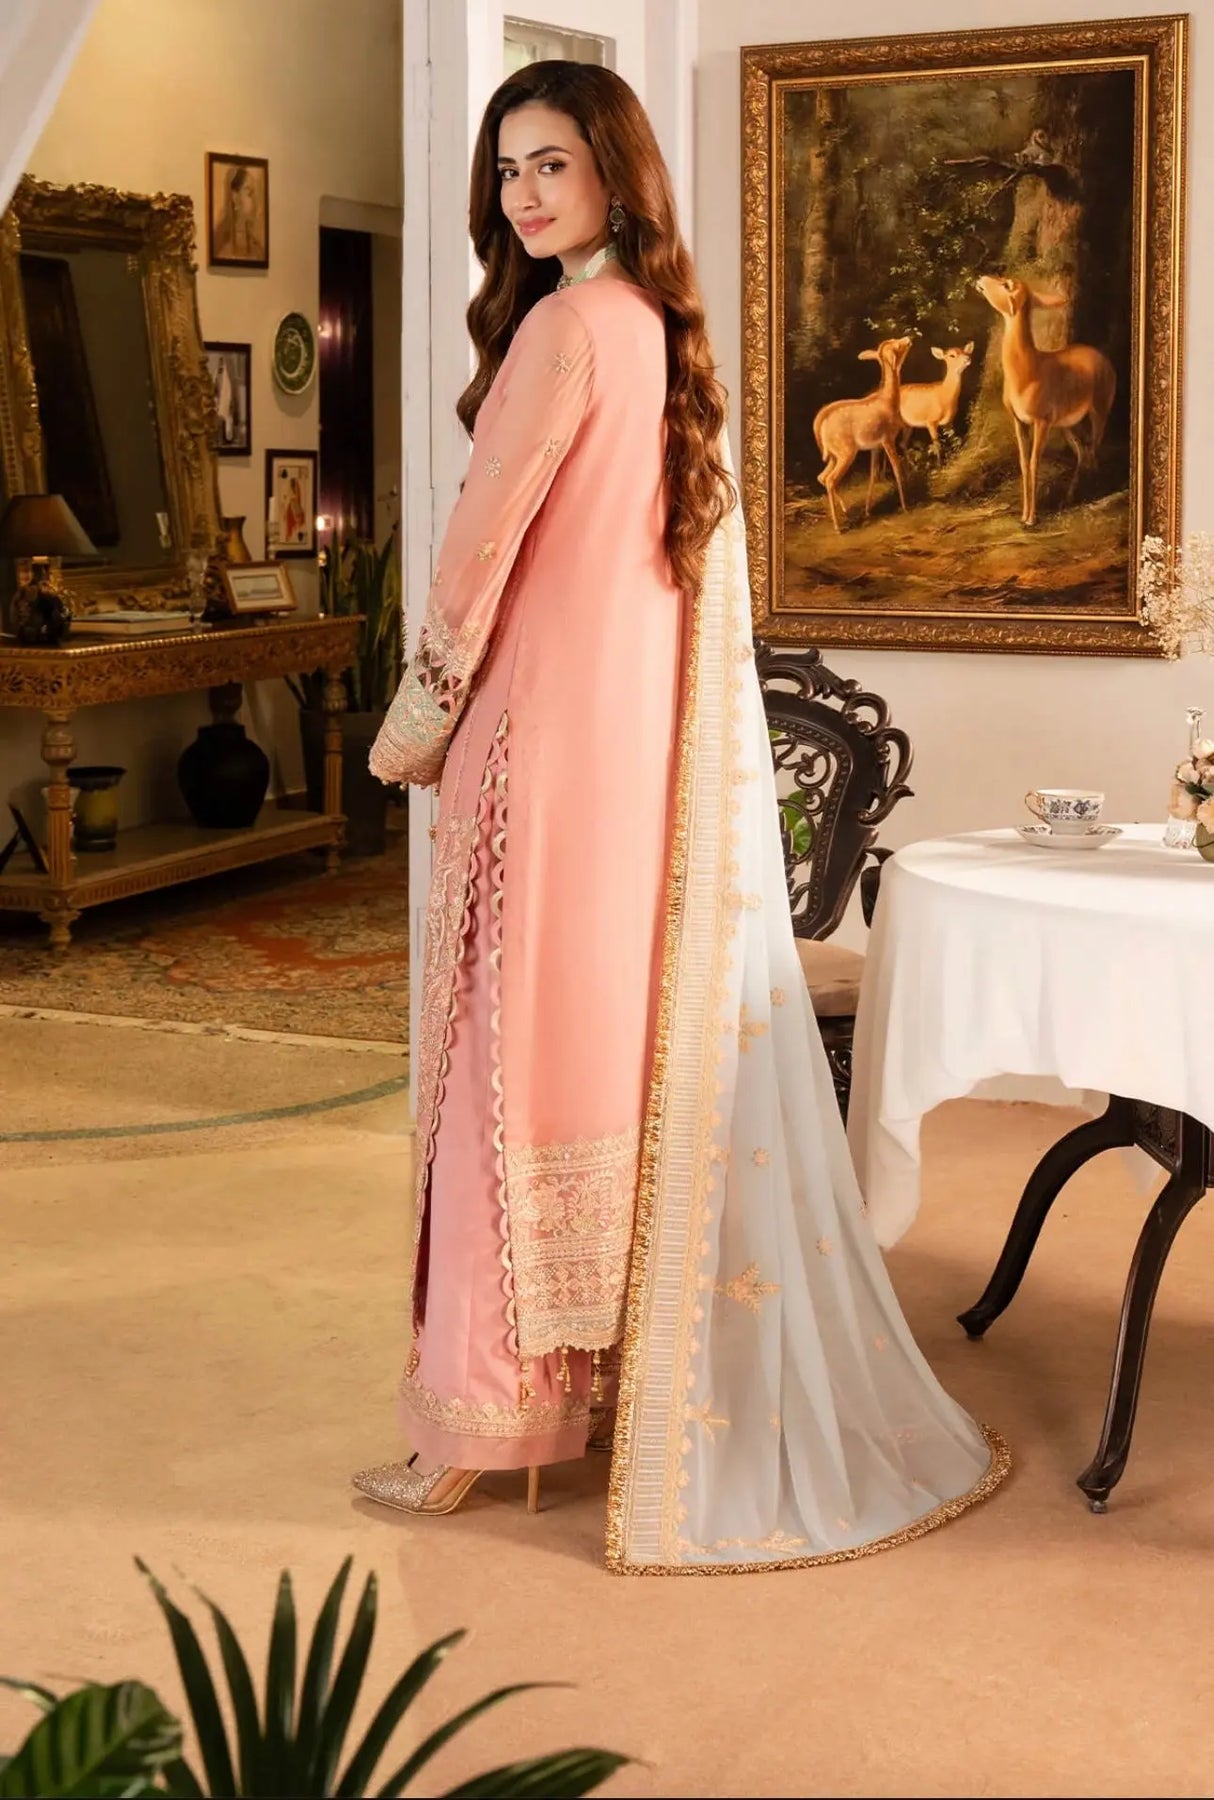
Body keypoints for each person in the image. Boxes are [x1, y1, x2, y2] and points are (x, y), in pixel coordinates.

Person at [356, 60, 1008, 1572]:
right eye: (507, 169)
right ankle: (592, 1394)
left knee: (500, 1063)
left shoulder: (562, 331)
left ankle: (487, 1420)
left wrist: (414, 728)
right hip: (636, 756)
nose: (524, 194)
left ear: (614, 172)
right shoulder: (660, 329)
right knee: (598, 1066)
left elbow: (476, 552)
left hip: (536, 747)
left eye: (551, 164)